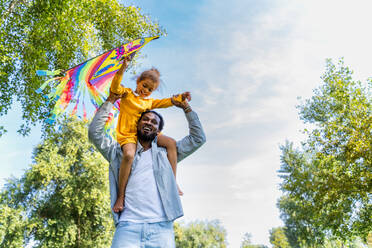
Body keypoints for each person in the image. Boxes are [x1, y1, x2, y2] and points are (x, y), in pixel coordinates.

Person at [88, 90, 206, 247]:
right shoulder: (119, 153)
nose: (149, 122)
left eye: (154, 122)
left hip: (162, 228)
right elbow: (94, 133)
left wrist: (186, 108)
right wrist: (110, 101)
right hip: (128, 227)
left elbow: (198, 138)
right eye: (145, 119)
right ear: (137, 124)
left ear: (158, 131)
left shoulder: (166, 154)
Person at [110, 56, 189, 212]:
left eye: (149, 89)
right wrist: (122, 68)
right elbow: (115, 88)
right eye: (144, 86)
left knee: (171, 143)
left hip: (145, 134)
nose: (145, 91)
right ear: (138, 81)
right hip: (128, 135)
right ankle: (120, 196)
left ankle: (173, 182)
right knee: (128, 156)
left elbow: (167, 102)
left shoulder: (149, 102)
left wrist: (181, 97)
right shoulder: (126, 94)